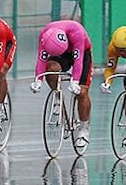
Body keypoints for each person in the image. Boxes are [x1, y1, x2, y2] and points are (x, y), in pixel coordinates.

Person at [30, 20, 93, 148]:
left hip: (81, 52)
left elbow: (78, 60)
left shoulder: (77, 33)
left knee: (82, 91)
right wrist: (38, 80)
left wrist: (75, 81)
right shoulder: (44, 36)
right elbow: (41, 59)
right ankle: (58, 97)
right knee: (50, 68)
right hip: (60, 52)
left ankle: (84, 128)